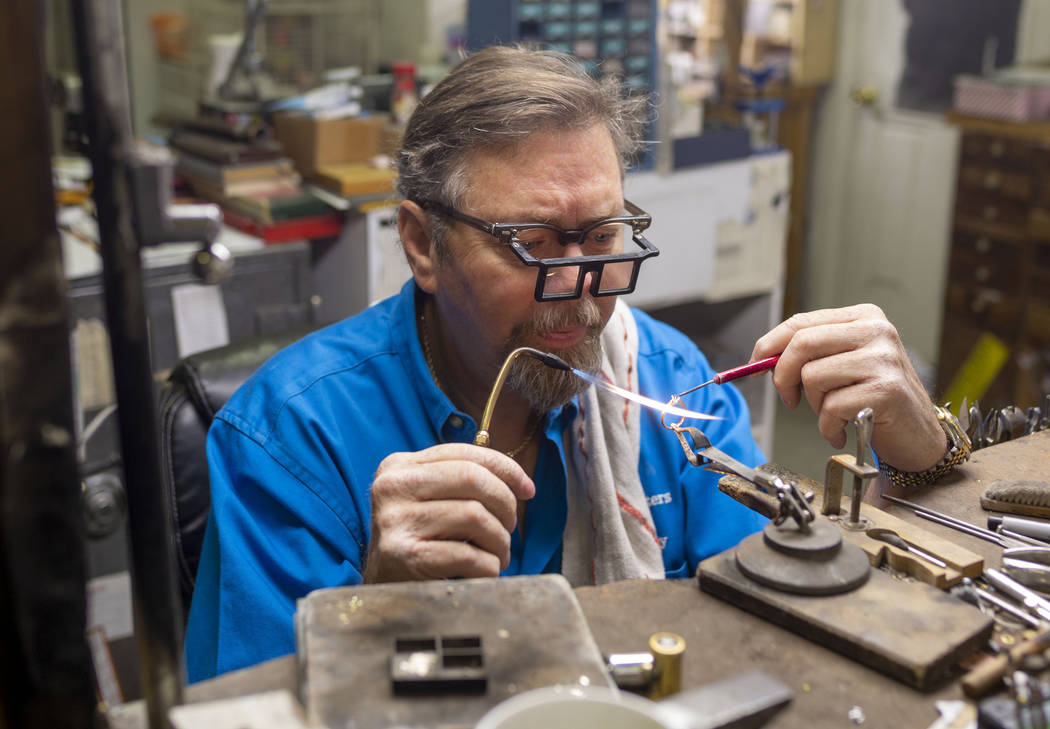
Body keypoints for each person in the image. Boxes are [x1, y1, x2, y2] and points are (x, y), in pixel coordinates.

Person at [184, 46, 956, 681]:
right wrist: (379, 611)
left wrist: (921, 460)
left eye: (601, 238)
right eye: (536, 245)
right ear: (422, 243)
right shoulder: (287, 441)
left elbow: (783, 625)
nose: (582, 298)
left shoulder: (666, 379)